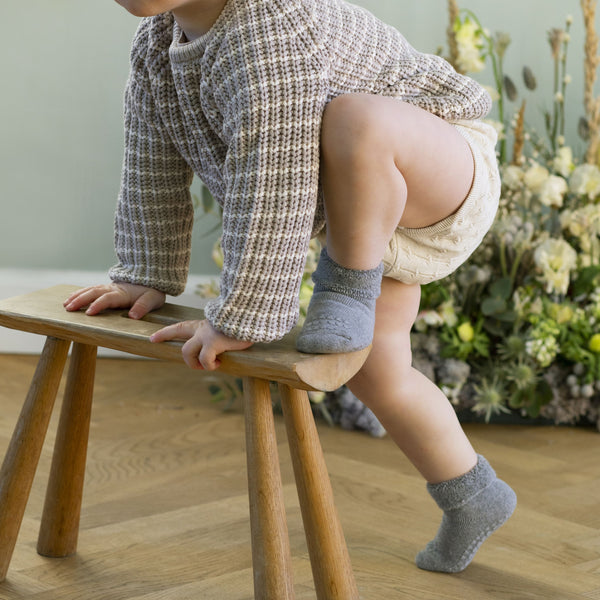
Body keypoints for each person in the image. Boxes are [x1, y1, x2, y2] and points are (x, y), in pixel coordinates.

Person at [64, 0, 516, 573]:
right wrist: (143, 272)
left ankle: (347, 289)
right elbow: (151, 159)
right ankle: (470, 494)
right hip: (367, 222)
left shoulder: (268, 26)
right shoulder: (157, 49)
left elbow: (272, 184)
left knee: (357, 119)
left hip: (439, 167)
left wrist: (239, 315)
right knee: (377, 370)